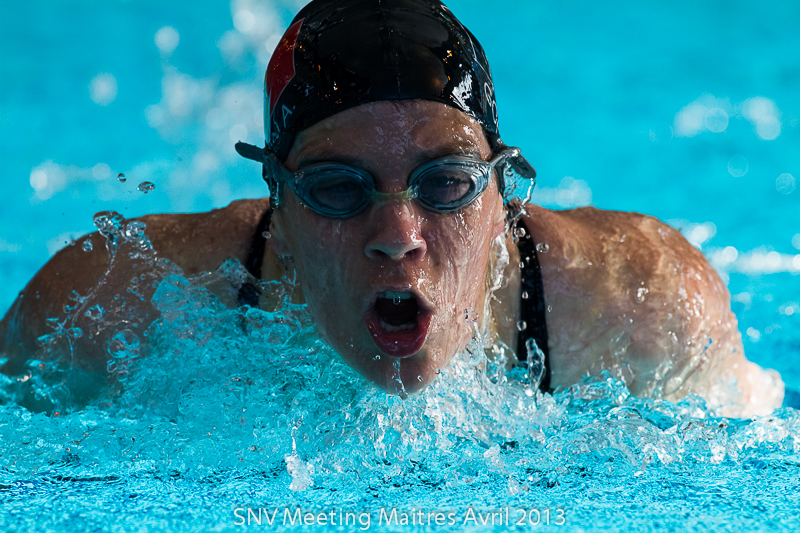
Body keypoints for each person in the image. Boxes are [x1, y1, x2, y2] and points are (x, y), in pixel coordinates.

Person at [0, 0, 783, 416]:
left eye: (445, 185)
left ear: (501, 192)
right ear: (280, 200)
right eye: (339, 189)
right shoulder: (111, 306)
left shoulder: (640, 307)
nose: (398, 236)